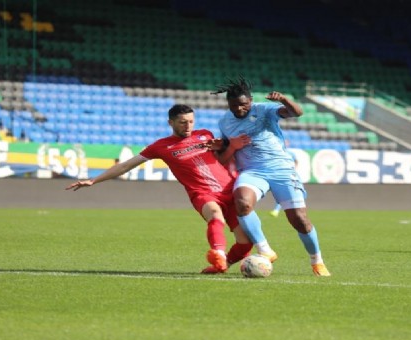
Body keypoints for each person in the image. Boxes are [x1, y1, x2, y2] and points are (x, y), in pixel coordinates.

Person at [65, 104, 254, 273]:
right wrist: (94, 180)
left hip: (229, 190)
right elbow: (125, 166)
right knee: (214, 215)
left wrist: (227, 148)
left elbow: (221, 160)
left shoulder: (205, 135)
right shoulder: (161, 146)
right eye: (182, 122)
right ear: (170, 122)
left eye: (190, 121)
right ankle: (218, 253)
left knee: (246, 242)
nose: (188, 126)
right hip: (203, 194)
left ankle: (222, 265)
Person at [212, 77, 331, 276]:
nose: (239, 109)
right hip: (252, 171)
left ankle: (316, 260)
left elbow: (296, 113)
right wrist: (225, 146)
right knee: (241, 202)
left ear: (250, 101)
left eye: (243, 104)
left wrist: (284, 100)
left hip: (281, 170)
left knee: (299, 219)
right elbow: (226, 151)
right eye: (233, 106)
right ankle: (265, 249)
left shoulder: (264, 110)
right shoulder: (224, 122)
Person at [270, 142, 298, 218]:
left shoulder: (290, 153)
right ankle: (277, 210)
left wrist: (294, 169)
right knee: (282, 193)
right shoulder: (277, 152)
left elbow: (296, 161)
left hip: (288, 175)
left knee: (284, 193)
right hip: (279, 174)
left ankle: (276, 210)